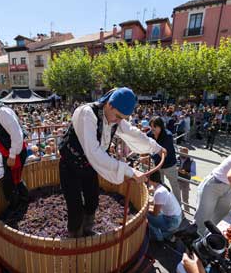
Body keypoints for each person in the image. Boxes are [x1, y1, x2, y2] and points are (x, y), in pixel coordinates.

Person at [59, 87, 165, 237]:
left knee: (92, 201)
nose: (118, 121)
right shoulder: (87, 113)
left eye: (122, 118)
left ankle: (87, 231)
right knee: (74, 205)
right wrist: (130, 171)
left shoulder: (114, 117)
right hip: (70, 165)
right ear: (109, 105)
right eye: (117, 116)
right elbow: (94, 153)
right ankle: (75, 238)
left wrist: (156, 147)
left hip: (88, 167)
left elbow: (132, 133)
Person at [147, 117, 179, 202]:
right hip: (158, 165)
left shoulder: (168, 136)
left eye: (155, 127)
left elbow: (163, 153)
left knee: (174, 186)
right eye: (151, 126)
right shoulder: (150, 134)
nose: (152, 129)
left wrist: (148, 157)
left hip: (170, 165)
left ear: (161, 126)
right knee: (158, 185)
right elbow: (144, 142)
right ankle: (162, 203)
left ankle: (178, 206)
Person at [147, 170, 182, 242]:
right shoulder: (163, 186)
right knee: (151, 211)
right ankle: (168, 233)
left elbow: (155, 213)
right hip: (177, 218)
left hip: (172, 222)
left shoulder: (159, 193)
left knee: (145, 216)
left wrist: (145, 209)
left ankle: (160, 236)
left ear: (150, 180)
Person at [176, 147, 196, 212]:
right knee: (176, 197)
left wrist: (186, 173)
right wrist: (176, 169)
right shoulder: (177, 158)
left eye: (182, 153)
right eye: (180, 152)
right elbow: (173, 167)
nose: (180, 154)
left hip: (185, 181)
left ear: (187, 153)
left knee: (185, 199)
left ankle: (187, 212)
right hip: (177, 180)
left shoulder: (192, 161)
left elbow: (193, 174)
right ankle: (177, 211)